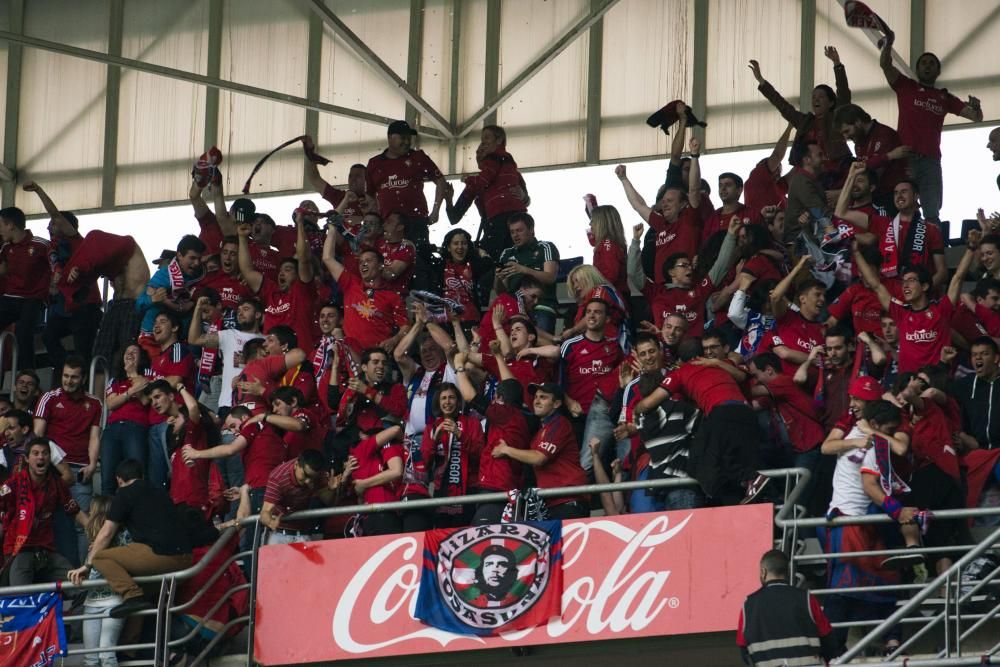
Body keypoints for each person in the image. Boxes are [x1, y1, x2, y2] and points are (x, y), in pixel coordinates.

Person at [636, 338, 765, 504]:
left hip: (721, 414)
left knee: (699, 459)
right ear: (702, 353)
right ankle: (761, 492)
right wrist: (716, 362)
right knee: (742, 459)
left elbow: (649, 402)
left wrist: (636, 411)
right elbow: (741, 374)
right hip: (747, 414)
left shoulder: (680, 372)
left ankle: (748, 481)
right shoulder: (720, 363)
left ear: (681, 360)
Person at [879, 29, 983, 223]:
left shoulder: (944, 97)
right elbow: (885, 65)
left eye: (932, 63)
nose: (927, 66)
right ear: (917, 69)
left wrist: (977, 107)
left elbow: (976, 117)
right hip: (905, 158)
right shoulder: (905, 86)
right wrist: (888, 43)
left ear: (938, 71)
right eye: (924, 63)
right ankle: (901, 247)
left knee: (932, 211)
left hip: (930, 161)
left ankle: (934, 250)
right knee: (901, 206)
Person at [69, 459, 193, 619]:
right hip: (186, 558)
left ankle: (132, 595)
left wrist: (87, 566)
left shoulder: (124, 493)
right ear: (141, 476)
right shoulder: (159, 491)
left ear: (119, 480)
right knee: (140, 592)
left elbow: (106, 533)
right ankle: (134, 632)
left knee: (100, 557)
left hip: (161, 555)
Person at [854, 238, 974, 373]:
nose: (905, 285)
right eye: (903, 282)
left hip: (936, 383)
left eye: (911, 281)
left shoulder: (941, 310)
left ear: (924, 286)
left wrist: (971, 248)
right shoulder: (900, 313)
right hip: (907, 386)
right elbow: (875, 284)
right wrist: (856, 253)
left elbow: (958, 278)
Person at [749, 46, 852, 187]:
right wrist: (761, 81)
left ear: (831, 102)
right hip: (810, 176)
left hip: (836, 173)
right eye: (813, 97)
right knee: (782, 187)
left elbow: (844, 94)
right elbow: (782, 105)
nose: (815, 100)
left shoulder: (836, 118)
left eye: (820, 97)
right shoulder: (805, 121)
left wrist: (837, 64)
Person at [34, 355, 102, 563]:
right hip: (54, 471)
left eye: (74, 377)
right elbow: (38, 436)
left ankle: (82, 577)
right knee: (55, 523)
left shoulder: (94, 403)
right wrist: (59, 464)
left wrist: (92, 464)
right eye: (65, 376)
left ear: (82, 379)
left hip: (82, 471)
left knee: (83, 526)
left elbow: (94, 437)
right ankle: (61, 578)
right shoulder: (49, 398)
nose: (68, 381)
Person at [0, 438, 88, 586]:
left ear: (49, 458)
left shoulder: (57, 483)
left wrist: (97, 529)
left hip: (47, 550)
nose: (41, 457)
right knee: (20, 596)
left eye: (45, 453)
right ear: (27, 459)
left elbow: (74, 510)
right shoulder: (12, 484)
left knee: (79, 584)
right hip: (19, 550)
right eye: (35, 453)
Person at [736, 549, 840, 666]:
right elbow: (829, 640)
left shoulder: (748, 604)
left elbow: (743, 649)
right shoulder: (806, 598)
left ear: (763, 572)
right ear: (788, 572)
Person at [446, 125, 528, 262]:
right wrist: (448, 200)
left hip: (498, 225)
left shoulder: (484, 178)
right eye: (478, 152)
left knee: (497, 260)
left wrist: (524, 196)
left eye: (484, 149)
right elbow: (454, 217)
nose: (481, 153)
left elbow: (526, 199)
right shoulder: (477, 182)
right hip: (500, 224)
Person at [322, 226, 409, 354]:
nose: (363, 264)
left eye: (369, 260)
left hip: (376, 358)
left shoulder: (392, 296)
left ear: (380, 266)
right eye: (361, 262)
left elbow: (406, 327)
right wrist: (332, 228)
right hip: (350, 356)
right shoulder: (351, 283)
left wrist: (394, 340)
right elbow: (327, 258)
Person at [236, 218, 318, 352]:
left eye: (287, 270)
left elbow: (304, 259)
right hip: (273, 364)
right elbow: (247, 271)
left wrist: (300, 224)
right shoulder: (271, 291)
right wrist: (243, 238)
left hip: (299, 360)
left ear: (298, 275)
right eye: (280, 270)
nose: (281, 273)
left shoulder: (302, 291)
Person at [366, 119, 446, 246]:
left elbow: (441, 181)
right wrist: (377, 219)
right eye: (403, 138)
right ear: (390, 138)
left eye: (409, 138)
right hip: (389, 225)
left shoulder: (418, 157)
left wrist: (436, 210)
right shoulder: (374, 163)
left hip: (416, 221)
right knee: (390, 260)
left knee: (420, 261)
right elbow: (370, 195)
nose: (407, 142)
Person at [188, 294, 265, 418]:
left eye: (245, 309)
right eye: (238, 310)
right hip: (228, 402)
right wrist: (197, 309)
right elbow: (194, 339)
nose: (240, 313)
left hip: (257, 402)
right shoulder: (228, 335)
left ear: (257, 314)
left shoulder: (267, 341)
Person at [259, 449, 355, 545]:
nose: (308, 481)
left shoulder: (319, 474)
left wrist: (331, 489)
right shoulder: (278, 477)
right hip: (278, 533)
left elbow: (328, 501)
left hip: (303, 532)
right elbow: (264, 512)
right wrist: (271, 523)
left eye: (312, 478)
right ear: (296, 465)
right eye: (305, 475)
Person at [834, 104, 909, 215]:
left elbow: (872, 171)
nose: (846, 137)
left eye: (847, 131)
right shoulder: (859, 142)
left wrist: (845, 191)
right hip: (873, 197)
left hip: (891, 197)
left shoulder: (884, 134)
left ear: (858, 122)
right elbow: (863, 170)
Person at [0, 205, 50, 371]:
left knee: (23, 334)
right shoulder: (6, 248)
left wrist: (56, 280)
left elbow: (57, 262)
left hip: (33, 299)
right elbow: (4, 269)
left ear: (10, 225)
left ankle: (27, 376)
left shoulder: (40, 244)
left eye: (0, 226)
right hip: (10, 298)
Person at [80, 495, 127, 667]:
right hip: (91, 602)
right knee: (90, 658)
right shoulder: (93, 544)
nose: (89, 515)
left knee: (106, 655)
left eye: (91, 511)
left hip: (114, 600)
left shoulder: (122, 538)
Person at [495, 213, 560, 334]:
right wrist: (497, 277)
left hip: (541, 304)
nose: (515, 235)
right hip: (514, 306)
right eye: (512, 232)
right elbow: (501, 292)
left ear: (531, 229)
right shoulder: (507, 253)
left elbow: (550, 277)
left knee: (540, 340)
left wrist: (523, 270)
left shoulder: (545, 247)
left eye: (519, 230)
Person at [100, 344, 151, 495]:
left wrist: (133, 374)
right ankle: (108, 516)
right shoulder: (115, 380)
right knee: (108, 480)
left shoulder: (148, 375)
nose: (130, 354)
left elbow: (145, 401)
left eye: (135, 352)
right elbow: (110, 403)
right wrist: (131, 391)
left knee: (136, 477)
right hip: (112, 429)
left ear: (141, 357)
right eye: (127, 352)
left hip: (136, 428)